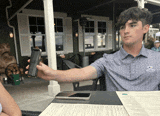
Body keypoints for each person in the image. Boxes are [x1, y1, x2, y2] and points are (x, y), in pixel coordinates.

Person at [26, 7, 160, 91]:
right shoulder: (108, 60)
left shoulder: (157, 59)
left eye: (132, 25)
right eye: (122, 27)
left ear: (145, 28)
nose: (125, 31)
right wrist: (52, 74)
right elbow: (82, 73)